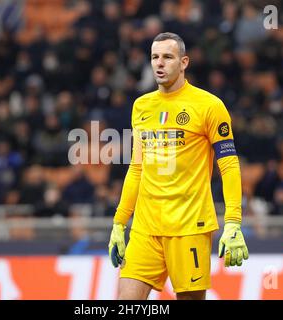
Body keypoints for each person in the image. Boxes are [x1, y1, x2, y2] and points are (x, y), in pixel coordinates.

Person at [108, 32, 249, 300]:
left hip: (189, 227)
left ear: (184, 62)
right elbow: (137, 168)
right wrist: (119, 223)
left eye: (168, 57)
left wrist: (233, 222)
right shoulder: (141, 106)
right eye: (155, 57)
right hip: (145, 229)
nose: (159, 63)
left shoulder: (209, 106)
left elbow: (229, 165)